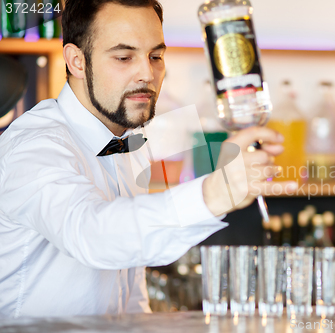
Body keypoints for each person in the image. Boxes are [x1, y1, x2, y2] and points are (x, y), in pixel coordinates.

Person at [0, 0, 297, 318]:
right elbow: (92, 234)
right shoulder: (34, 146)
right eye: (124, 57)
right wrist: (214, 191)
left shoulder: (127, 143)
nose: (147, 73)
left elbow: (128, 286)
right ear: (76, 61)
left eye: (156, 56)